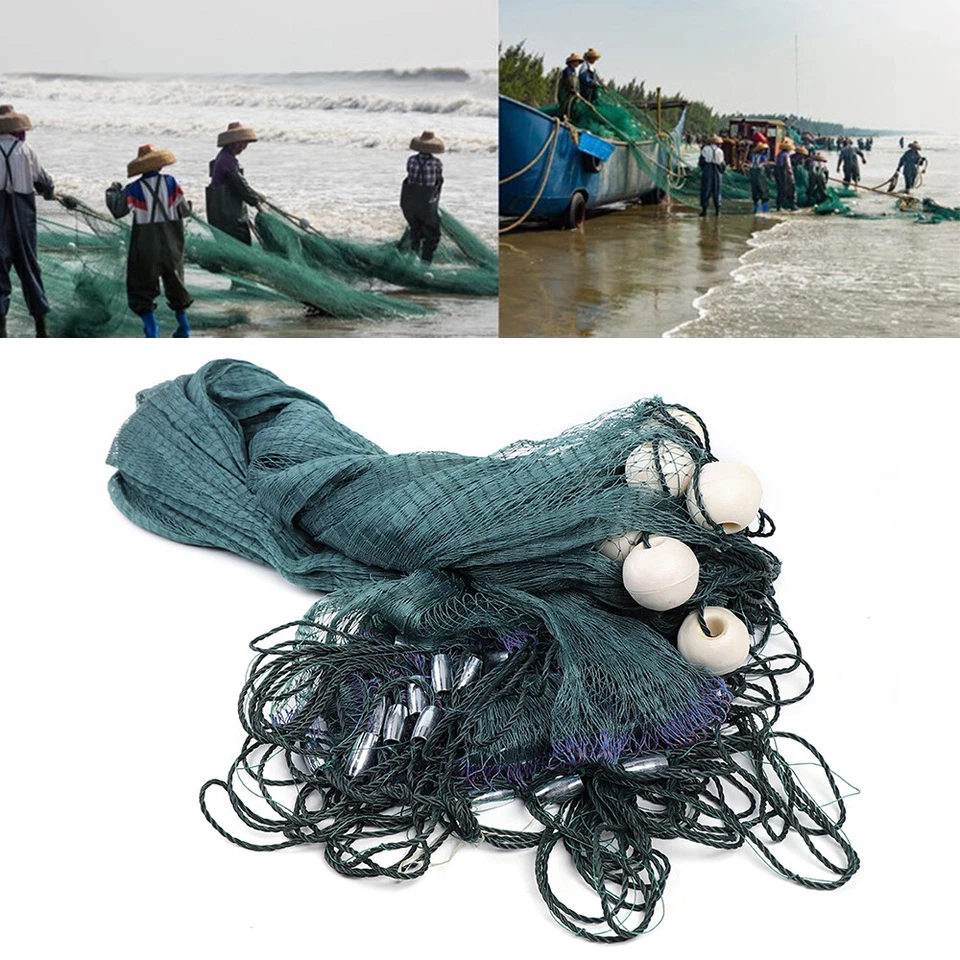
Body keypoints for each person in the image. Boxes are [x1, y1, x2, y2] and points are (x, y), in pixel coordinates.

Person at [105, 144, 193, 338]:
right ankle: (184, 328)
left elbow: (118, 210)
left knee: (141, 285)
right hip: (172, 242)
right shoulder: (171, 183)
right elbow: (184, 210)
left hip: (145, 244)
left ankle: (152, 331)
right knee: (176, 283)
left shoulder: (134, 189)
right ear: (160, 166)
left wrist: (113, 190)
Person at [0, 104, 55, 338]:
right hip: (23, 220)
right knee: (30, 270)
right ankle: (41, 330)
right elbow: (44, 182)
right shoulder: (26, 151)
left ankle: (1, 331)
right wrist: (49, 191)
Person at [206, 122, 262, 244]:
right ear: (231, 143)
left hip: (220, 215)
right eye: (240, 143)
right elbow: (240, 185)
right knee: (242, 244)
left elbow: (239, 184)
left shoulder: (224, 157)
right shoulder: (227, 161)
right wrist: (256, 203)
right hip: (228, 217)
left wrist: (255, 195)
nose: (243, 146)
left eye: (245, 143)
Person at [400, 130, 444, 264]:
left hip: (408, 203)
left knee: (415, 231)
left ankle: (411, 260)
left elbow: (410, 175)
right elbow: (438, 180)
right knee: (432, 236)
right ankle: (424, 266)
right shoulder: (436, 163)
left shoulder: (411, 160)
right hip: (425, 204)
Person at [698, 135, 725, 216]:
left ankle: (704, 211)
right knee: (717, 190)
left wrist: (704, 169)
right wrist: (721, 171)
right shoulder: (720, 151)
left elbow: (701, 161)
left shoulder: (705, 149)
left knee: (705, 190)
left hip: (707, 170)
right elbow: (722, 164)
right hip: (717, 171)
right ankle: (717, 211)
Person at [557, 53, 583, 119]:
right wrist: (571, 89)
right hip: (566, 93)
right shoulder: (567, 70)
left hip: (572, 94)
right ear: (572, 62)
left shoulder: (574, 71)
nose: (578, 63)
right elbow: (567, 81)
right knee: (564, 107)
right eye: (577, 61)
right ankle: (560, 118)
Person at [774, 137, 797, 211]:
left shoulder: (779, 154)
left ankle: (779, 206)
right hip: (784, 173)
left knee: (780, 189)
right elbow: (788, 166)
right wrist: (790, 173)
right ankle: (792, 206)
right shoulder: (786, 155)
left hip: (777, 172)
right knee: (790, 189)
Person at [748, 141, 771, 213]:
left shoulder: (752, 156)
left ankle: (756, 209)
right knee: (763, 191)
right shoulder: (763, 157)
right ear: (762, 150)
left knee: (755, 191)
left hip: (753, 174)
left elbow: (751, 165)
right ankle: (765, 210)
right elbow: (766, 166)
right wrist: (769, 175)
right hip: (760, 174)